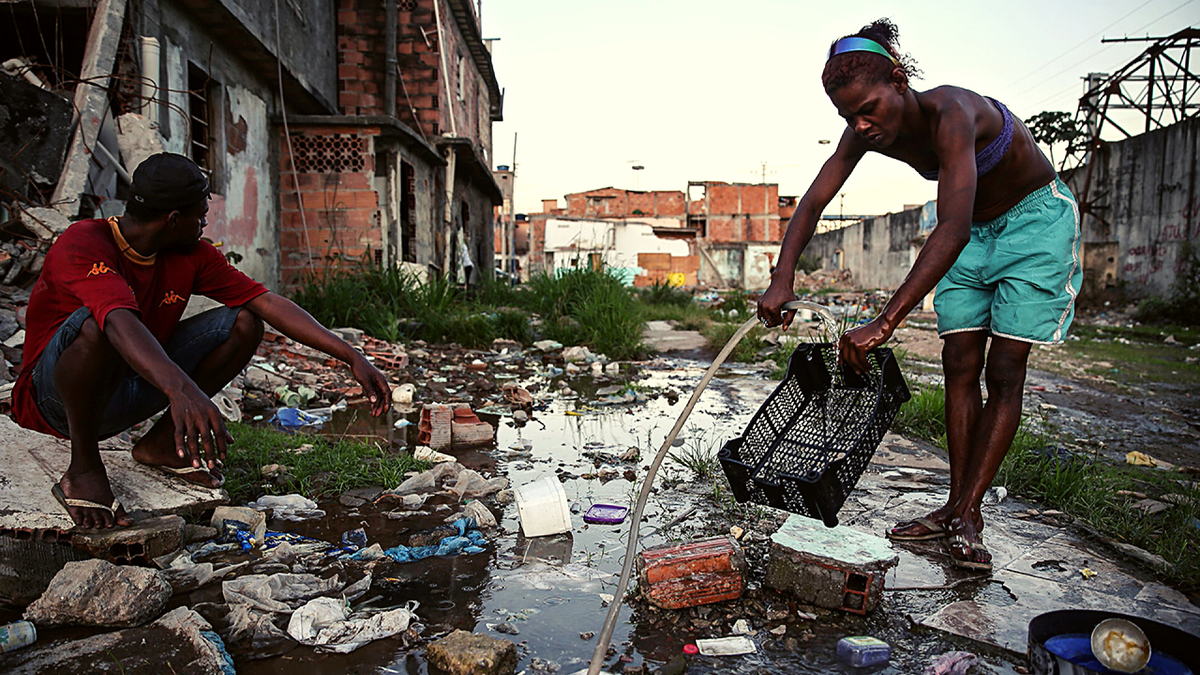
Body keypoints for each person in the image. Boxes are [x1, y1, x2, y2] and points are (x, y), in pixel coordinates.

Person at [757, 20, 1080, 572]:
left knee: (1004, 369)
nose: (862, 125)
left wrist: (885, 322)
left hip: (1033, 223)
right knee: (959, 361)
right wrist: (782, 276)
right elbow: (812, 202)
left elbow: (948, 228)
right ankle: (953, 506)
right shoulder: (861, 131)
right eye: (848, 117)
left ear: (899, 81)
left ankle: (969, 513)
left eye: (869, 109)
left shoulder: (953, 112)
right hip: (972, 233)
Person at [12, 152, 391, 529]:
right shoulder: (85, 242)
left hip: (125, 388)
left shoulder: (190, 255)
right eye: (200, 213)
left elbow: (266, 302)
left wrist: (351, 356)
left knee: (244, 322)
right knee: (98, 324)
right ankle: (83, 469)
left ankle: (160, 447)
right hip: (54, 402)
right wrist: (182, 391)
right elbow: (116, 320)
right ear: (174, 219)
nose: (205, 222)